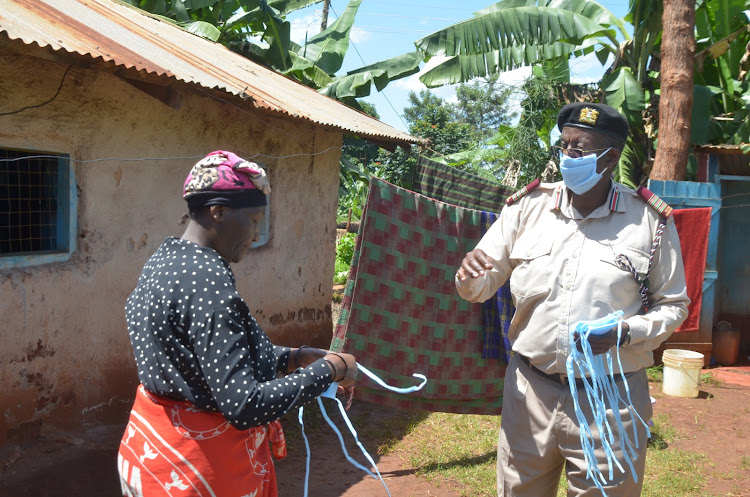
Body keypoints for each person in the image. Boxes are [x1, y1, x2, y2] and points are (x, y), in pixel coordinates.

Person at [456, 103, 690, 496]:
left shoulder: (648, 221)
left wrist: (626, 332)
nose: (566, 157)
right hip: (531, 391)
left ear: (610, 157)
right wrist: (468, 275)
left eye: (578, 150)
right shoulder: (526, 209)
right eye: (562, 147)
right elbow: (477, 287)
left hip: (610, 398)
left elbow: (674, 305)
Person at [117, 150, 357, 497]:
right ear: (218, 212)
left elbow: (206, 353)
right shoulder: (207, 280)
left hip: (152, 452)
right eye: (255, 220)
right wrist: (330, 370)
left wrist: (292, 357)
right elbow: (245, 405)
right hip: (198, 472)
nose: (257, 234)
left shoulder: (166, 260)